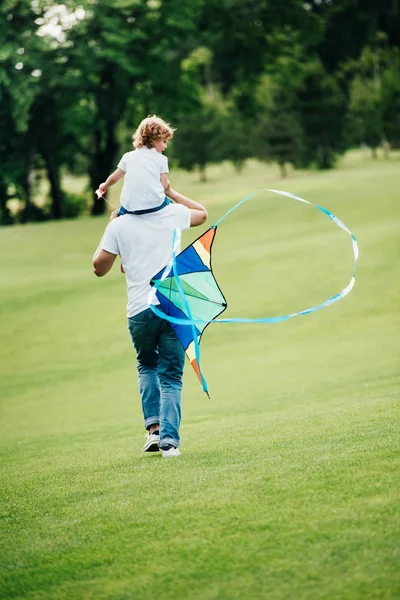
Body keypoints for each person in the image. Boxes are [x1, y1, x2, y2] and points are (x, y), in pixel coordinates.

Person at [93, 183, 208, 458]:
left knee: (147, 365)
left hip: (140, 311)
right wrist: (171, 192)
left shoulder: (120, 226)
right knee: (170, 376)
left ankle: (153, 431)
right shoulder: (172, 214)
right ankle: (170, 444)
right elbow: (201, 213)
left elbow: (99, 268)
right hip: (172, 306)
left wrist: (111, 227)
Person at [97, 115, 175, 216]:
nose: (165, 146)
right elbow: (164, 186)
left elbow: (114, 178)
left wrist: (104, 185)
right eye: (164, 141)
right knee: (172, 210)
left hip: (130, 207)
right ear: (153, 140)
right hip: (153, 206)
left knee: (121, 211)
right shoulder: (162, 159)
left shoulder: (127, 156)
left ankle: (117, 219)